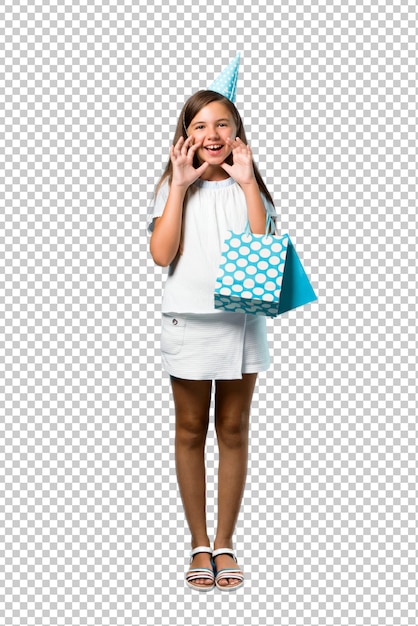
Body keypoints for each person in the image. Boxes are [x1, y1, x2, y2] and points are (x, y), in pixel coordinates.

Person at [147, 62, 277, 591]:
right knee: (189, 429)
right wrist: (178, 187)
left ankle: (225, 544)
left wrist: (247, 183)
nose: (212, 135)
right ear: (185, 138)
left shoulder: (254, 191)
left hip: (241, 324)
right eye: (199, 126)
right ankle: (197, 542)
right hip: (187, 324)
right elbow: (162, 254)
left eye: (222, 124)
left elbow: (261, 242)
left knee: (234, 430)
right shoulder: (173, 189)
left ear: (237, 134)